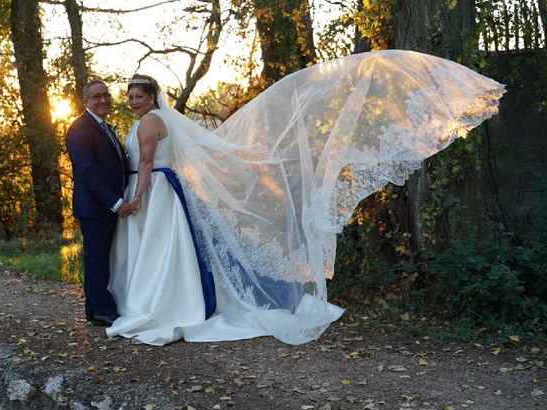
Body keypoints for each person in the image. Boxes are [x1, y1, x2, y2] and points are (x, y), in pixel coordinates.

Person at [107, 50, 505, 346]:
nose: (132, 101)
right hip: (158, 191)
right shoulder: (154, 121)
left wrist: (137, 197)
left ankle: (159, 306)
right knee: (159, 252)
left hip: (155, 192)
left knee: (159, 250)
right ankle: (156, 302)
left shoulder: (150, 123)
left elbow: (145, 163)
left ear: (152, 96)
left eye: (138, 96)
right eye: (129, 96)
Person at [65, 80, 133, 327]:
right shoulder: (79, 129)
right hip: (95, 207)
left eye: (106, 95)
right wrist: (116, 203)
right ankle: (103, 311)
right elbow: (87, 171)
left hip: (107, 205)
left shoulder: (104, 127)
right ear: (86, 102)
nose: (103, 100)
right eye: (97, 96)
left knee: (102, 258)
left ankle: (95, 309)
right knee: (96, 259)